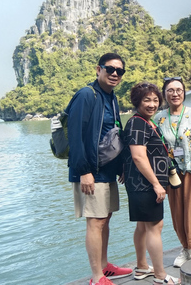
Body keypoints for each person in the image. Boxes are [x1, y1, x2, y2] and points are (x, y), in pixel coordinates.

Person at [67, 53, 133, 285]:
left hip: (107, 170)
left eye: (120, 71)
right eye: (110, 69)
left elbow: (114, 135)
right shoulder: (87, 95)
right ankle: (97, 277)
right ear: (99, 69)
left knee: (105, 218)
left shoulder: (112, 98)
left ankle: (105, 267)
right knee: (95, 221)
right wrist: (84, 170)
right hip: (90, 170)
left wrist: (122, 165)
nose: (115, 73)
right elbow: (74, 136)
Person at [122, 82, 180, 285]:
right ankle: (160, 275)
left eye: (156, 100)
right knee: (155, 226)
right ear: (137, 101)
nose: (152, 104)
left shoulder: (147, 122)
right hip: (145, 184)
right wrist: (156, 184)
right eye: (147, 100)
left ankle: (142, 267)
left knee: (143, 226)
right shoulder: (138, 123)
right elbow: (138, 156)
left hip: (140, 183)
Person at [154, 77, 191, 268]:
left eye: (179, 90)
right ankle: (186, 248)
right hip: (171, 172)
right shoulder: (159, 118)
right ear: (165, 94)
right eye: (170, 90)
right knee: (177, 211)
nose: (175, 93)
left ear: (184, 92)